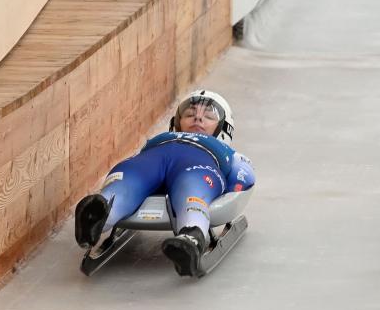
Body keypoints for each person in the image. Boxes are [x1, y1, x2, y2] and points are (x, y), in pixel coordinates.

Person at [74, 89, 256, 276]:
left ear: (224, 128)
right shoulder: (161, 139)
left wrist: (235, 188)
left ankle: (191, 237)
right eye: (189, 114)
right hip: (154, 157)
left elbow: (244, 176)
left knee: (192, 187)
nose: (197, 119)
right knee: (130, 176)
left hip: (201, 163)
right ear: (176, 122)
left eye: (208, 116)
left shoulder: (228, 153)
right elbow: (135, 159)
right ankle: (97, 216)